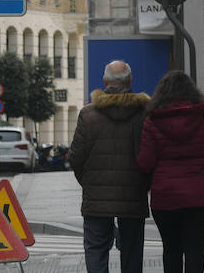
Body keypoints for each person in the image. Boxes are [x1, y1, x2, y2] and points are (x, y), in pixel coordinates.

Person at [68, 59, 152, 273]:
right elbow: (150, 156)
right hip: (133, 195)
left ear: (104, 80)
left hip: (96, 197)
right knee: (133, 251)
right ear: (130, 80)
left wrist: (89, 183)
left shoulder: (87, 114)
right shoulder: (144, 113)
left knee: (96, 249)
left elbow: (76, 158)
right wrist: (144, 184)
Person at [137, 70, 204, 273]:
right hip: (201, 197)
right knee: (195, 251)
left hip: (166, 197)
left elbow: (145, 162)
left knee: (171, 250)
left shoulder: (152, 121)